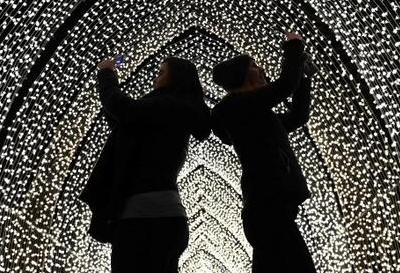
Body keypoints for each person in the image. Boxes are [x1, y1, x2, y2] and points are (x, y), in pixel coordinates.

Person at [79, 56, 211, 273]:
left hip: (142, 219)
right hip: (165, 217)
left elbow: (121, 107)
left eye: (161, 73)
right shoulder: (175, 110)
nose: (155, 80)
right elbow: (123, 120)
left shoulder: (168, 105)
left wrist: (106, 74)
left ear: (175, 78)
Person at [210, 29, 317, 272]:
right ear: (241, 75)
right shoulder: (236, 107)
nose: (262, 70)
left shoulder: (255, 114)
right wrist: (294, 46)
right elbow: (285, 85)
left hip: (270, 207)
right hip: (268, 206)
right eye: (255, 66)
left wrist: (305, 79)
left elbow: (298, 116)